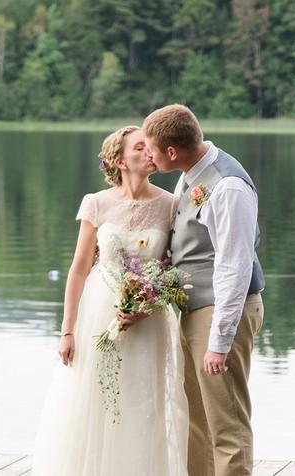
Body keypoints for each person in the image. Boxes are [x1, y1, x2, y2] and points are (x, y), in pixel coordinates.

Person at [31, 126, 188, 476]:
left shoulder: (171, 205)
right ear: (119, 160)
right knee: (94, 400)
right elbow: (78, 271)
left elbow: (174, 268)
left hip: (149, 319)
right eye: (140, 147)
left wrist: (150, 302)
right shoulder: (96, 203)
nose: (150, 152)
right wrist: (67, 331)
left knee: (145, 401)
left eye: (151, 146)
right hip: (99, 314)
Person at [133, 104, 266, 476]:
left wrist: (220, 341)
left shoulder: (228, 187)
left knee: (226, 422)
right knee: (197, 419)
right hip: (196, 310)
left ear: (171, 152)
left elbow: (235, 268)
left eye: (152, 150)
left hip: (223, 311)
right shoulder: (192, 173)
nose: (148, 156)